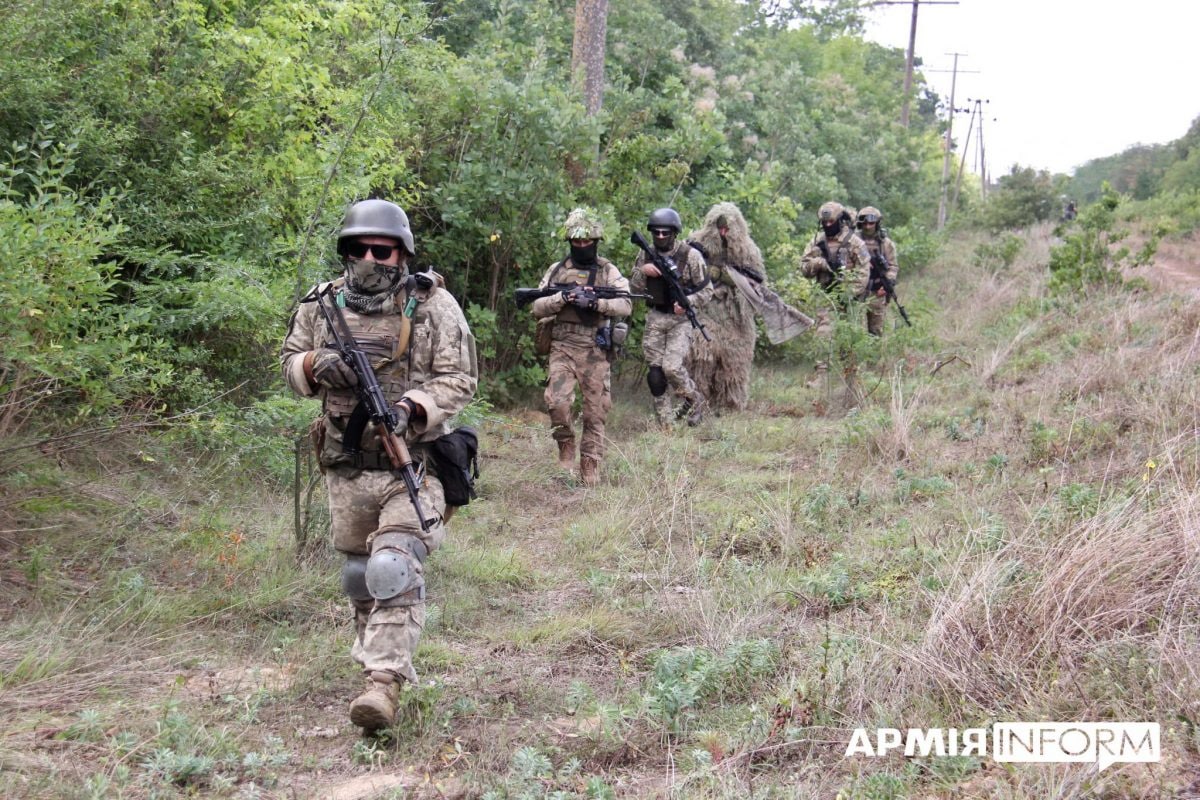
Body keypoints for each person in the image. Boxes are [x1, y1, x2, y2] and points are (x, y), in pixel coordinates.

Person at [281, 198, 478, 732]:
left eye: (383, 250)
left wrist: (413, 407)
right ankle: (374, 664)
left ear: (402, 253)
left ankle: (383, 683)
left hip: (414, 463)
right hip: (347, 465)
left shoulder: (433, 306)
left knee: (393, 565)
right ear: (347, 251)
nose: (371, 258)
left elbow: (460, 379)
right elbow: (289, 363)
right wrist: (315, 364)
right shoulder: (321, 305)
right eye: (360, 248)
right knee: (359, 577)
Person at [528, 208, 632, 487]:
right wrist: (562, 298)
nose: (582, 246)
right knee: (557, 403)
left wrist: (597, 303)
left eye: (588, 241)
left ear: (596, 241)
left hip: (594, 347)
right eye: (577, 241)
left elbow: (626, 304)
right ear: (570, 241)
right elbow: (536, 306)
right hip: (562, 344)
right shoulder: (557, 270)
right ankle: (565, 446)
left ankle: (590, 461)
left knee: (595, 410)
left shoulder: (607, 270)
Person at [629, 207, 713, 426]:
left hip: (680, 320)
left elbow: (707, 291)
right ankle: (666, 423)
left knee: (672, 367)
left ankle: (695, 400)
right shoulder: (645, 253)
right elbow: (634, 287)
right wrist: (643, 271)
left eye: (665, 233)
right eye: (656, 232)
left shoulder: (690, 255)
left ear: (674, 232)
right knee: (655, 374)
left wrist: (687, 302)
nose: (660, 236)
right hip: (656, 316)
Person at [684, 202, 765, 412]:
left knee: (734, 363)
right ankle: (698, 402)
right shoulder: (695, 244)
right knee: (701, 356)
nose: (723, 233)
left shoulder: (748, 251)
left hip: (734, 315)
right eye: (719, 228)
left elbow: (758, 285)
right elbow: (684, 272)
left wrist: (731, 278)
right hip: (705, 309)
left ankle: (730, 407)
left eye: (728, 228)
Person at [799, 201, 872, 396]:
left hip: (850, 299)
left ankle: (852, 381)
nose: (828, 225)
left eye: (831, 222)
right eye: (825, 223)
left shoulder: (855, 242)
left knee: (850, 339)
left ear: (840, 220)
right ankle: (822, 377)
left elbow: (864, 273)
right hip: (827, 296)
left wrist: (848, 292)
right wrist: (817, 263)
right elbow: (803, 267)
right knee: (824, 334)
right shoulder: (817, 241)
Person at [855, 206, 899, 337]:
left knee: (876, 331)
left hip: (877, 291)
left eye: (871, 223)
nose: (868, 226)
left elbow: (893, 266)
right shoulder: (853, 241)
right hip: (857, 290)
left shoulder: (885, 243)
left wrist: (887, 284)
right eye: (865, 223)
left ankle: (874, 350)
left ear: (877, 223)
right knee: (855, 329)